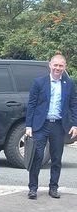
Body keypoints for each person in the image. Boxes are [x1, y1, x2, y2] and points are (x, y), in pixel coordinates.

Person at [25, 53, 77, 199]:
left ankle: (53, 188)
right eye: (55, 65)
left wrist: (75, 124)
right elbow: (32, 105)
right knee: (37, 156)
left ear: (65, 67)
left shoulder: (69, 83)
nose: (58, 68)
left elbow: (74, 104)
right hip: (40, 125)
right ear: (50, 65)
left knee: (56, 158)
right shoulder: (39, 82)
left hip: (59, 126)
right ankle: (33, 188)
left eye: (61, 66)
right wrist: (29, 126)